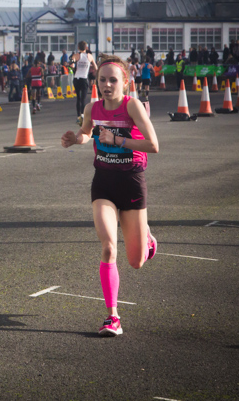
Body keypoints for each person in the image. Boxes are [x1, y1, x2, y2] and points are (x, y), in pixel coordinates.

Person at [60, 53, 160, 337]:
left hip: (131, 182)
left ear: (125, 82)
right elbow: (86, 133)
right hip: (103, 183)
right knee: (108, 248)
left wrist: (116, 139)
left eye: (113, 80)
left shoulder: (133, 106)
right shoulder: (93, 108)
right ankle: (112, 317)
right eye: (102, 80)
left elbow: (153, 144)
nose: (106, 85)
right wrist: (75, 139)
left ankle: (147, 239)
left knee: (136, 261)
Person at [72, 40, 98, 126]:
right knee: (83, 98)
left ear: (78, 47)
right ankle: (83, 116)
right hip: (84, 79)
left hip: (76, 78)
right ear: (86, 47)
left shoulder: (76, 55)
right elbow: (95, 67)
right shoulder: (89, 56)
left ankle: (78, 116)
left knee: (78, 98)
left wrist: (72, 63)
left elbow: (72, 65)